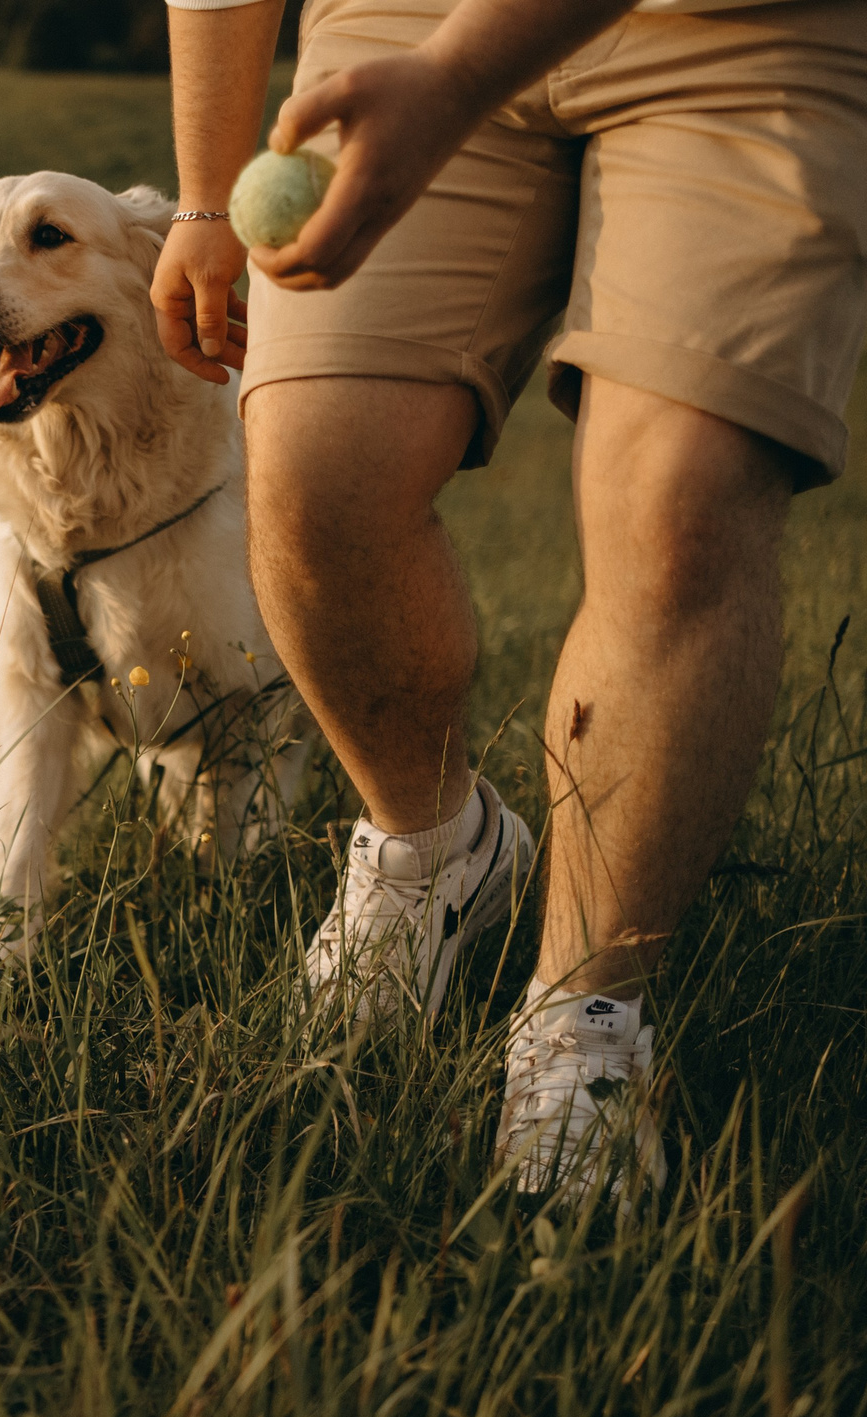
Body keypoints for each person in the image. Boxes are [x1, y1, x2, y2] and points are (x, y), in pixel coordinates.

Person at [152, 0, 867, 1198]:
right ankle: (434, 853)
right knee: (318, 474)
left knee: (677, 507)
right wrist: (204, 198)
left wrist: (452, 80)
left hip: (750, 30)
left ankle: (587, 1014)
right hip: (405, 15)